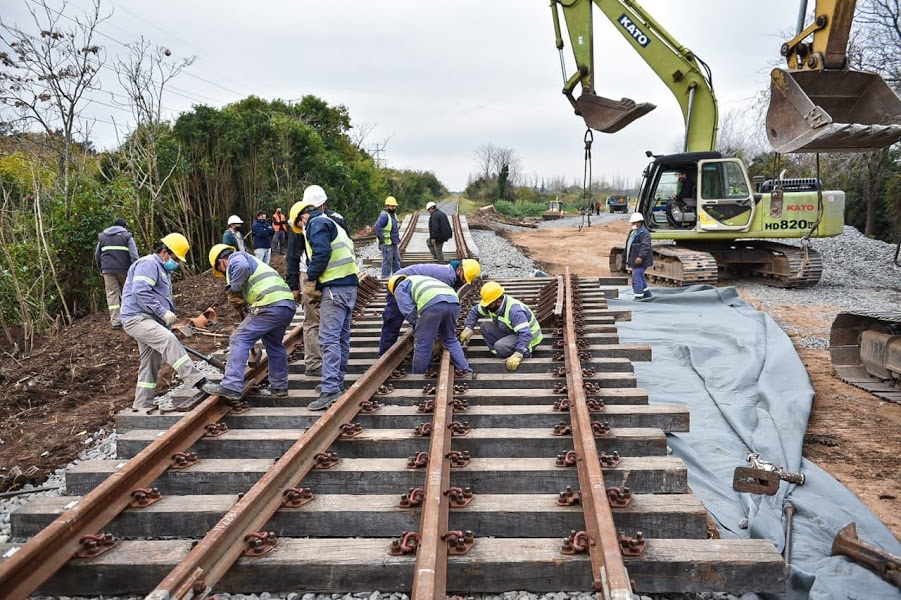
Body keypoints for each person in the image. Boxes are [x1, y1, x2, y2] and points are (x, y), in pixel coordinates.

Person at [120, 233, 207, 410]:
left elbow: (157, 296)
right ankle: (197, 380)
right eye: (176, 258)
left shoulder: (162, 270)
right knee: (168, 340)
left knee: (151, 361)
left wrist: (164, 320)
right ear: (165, 252)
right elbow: (140, 291)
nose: (177, 263)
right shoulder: (149, 264)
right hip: (137, 318)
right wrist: (162, 312)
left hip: (149, 319)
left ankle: (142, 405)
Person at [202, 244, 297, 400]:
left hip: (269, 305)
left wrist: (234, 288)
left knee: (239, 338)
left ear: (221, 261)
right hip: (285, 305)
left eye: (222, 270)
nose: (225, 273)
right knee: (274, 345)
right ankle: (279, 387)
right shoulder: (254, 261)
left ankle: (231, 386)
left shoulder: (236, 258)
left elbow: (242, 267)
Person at [296, 185, 360, 411]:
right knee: (341, 338)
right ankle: (336, 383)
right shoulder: (335, 223)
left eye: (300, 223)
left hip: (334, 288)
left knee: (328, 339)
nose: (302, 227)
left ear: (304, 214)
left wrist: (311, 278)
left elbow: (322, 253)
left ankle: (331, 388)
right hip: (348, 286)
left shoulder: (316, 223)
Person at [378, 259, 482, 356]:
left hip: (413, 286)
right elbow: (437, 309)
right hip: (399, 284)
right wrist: (434, 335)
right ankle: (385, 353)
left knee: (422, 319)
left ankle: (421, 339)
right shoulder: (447, 277)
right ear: (459, 269)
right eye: (464, 278)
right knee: (394, 320)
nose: (464, 282)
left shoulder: (451, 274)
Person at [388, 274, 471, 375]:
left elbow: (409, 311)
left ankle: (418, 376)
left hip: (433, 304)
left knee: (423, 344)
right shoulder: (417, 279)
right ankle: (465, 369)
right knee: (450, 339)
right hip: (453, 301)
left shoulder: (399, 288)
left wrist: (417, 328)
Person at [459, 281, 542, 371]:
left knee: (500, 346)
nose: (486, 307)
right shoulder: (492, 305)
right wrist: (468, 327)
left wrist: (518, 353)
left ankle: (525, 354)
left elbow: (525, 334)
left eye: (489, 304)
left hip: (529, 339)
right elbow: (475, 311)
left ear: (498, 301)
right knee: (485, 327)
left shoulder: (515, 311)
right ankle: (500, 354)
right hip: (512, 332)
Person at [285, 196, 323, 380]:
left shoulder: (326, 221)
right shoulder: (298, 227)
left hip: (324, 276)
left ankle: (323, 360)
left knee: (322, 319)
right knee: (312, 320)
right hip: (308, 276)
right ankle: (314, 363)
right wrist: (294, 285)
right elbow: (292, 256)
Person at [95, 217, 139, 329]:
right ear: (124, 227)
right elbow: (134, 255)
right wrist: (135, 270)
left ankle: (115, 322)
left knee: (112, 295)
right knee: (127, 292)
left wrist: (101, 268)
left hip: (107, 270)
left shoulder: (103, 237)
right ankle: (128, 318)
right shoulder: (127, 236)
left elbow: (97, 255)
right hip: (125, 270)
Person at [625, 212, 653, 300]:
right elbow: (628, 245)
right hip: (634, 259)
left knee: (636, 278)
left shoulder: (644, 233)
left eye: (633, 223)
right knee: (640, 276)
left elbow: (645, 246)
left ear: (639, 223)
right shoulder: (633, 232)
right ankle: (647, 294)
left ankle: (638, 298)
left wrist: (640, 257)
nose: (632, 225)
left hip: (641, 261)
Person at [374, 196, 401, 277]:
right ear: (387, 206)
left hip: (393, 242)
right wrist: (382, 239)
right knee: (388, 261)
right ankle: (384, 278)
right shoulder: (384, 216)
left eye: (394, 206)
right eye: (392, 206)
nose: (393, 208)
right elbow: (377, 227)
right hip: (386, 244)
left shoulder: (394, 216)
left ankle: (397, 276)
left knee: (396, 260)